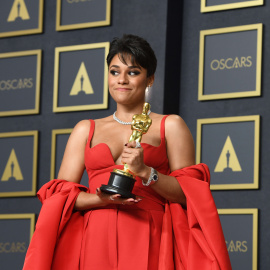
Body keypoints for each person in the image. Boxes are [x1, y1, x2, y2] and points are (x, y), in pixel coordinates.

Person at [23, 34, 231, 270]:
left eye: (132, 72)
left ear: (149, 79)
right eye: (114, 71)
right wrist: (100, 199)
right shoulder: (85, 129)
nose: (121, 80)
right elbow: (59, 198)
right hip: (94, 237)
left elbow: (188, 195)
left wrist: (146, 172)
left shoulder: (170, 125)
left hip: (150, 232)